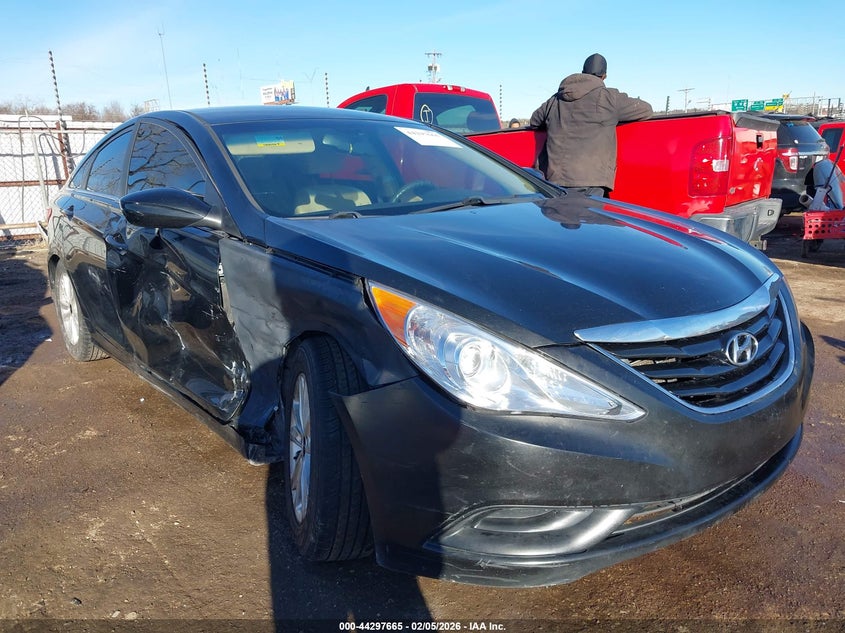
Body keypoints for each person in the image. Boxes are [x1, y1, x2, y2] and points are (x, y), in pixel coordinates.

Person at [529, 53, 652, 197]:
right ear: (604, 76)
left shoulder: (555, 100)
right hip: (592, 182)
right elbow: (646, 110)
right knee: (590, 219)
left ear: (583, 72)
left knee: (558, 219)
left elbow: (534, 121)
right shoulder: (609, 98)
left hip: (555, 180)